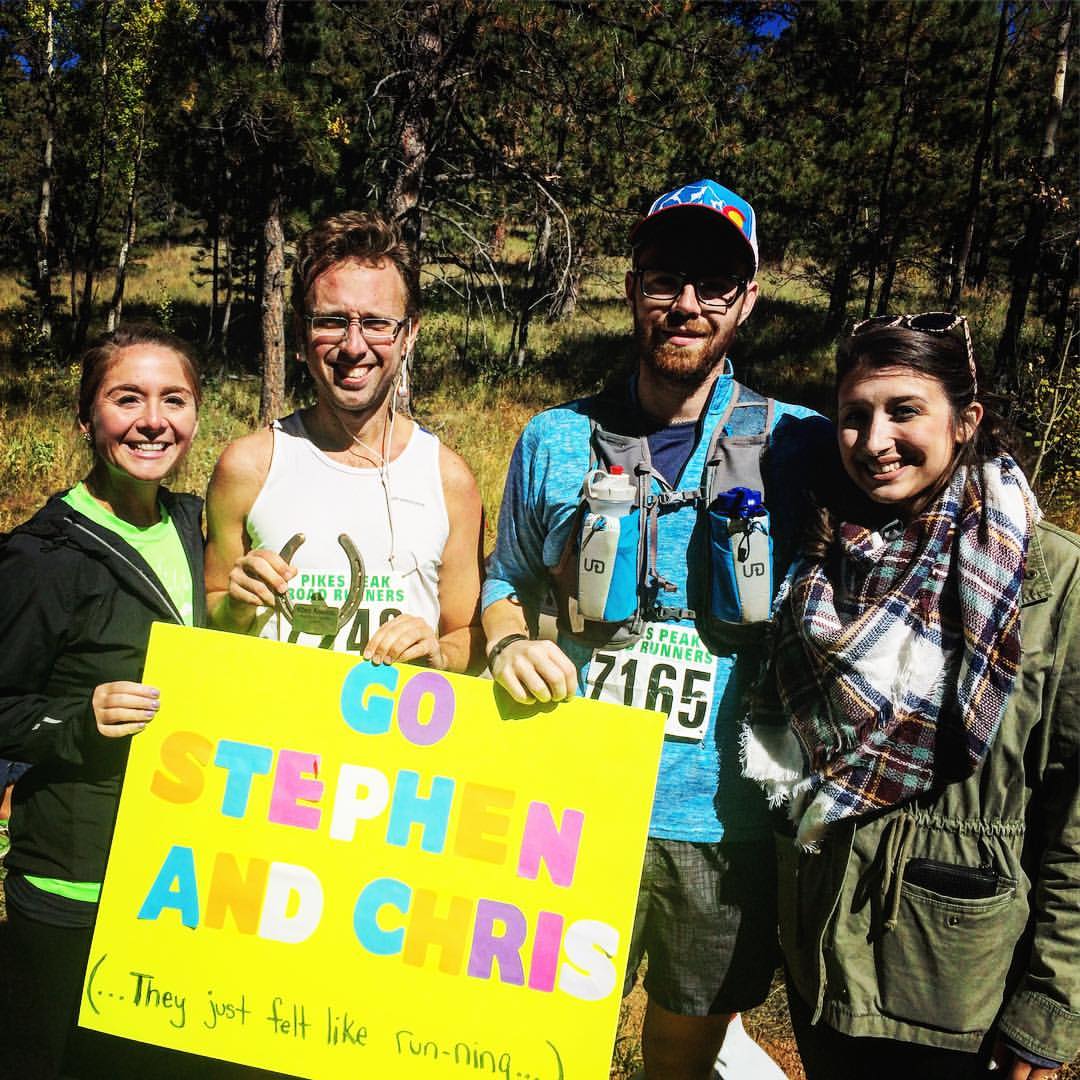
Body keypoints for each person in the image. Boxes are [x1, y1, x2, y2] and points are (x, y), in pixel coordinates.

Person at [482, 179, 831, 1080]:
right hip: (569, 808)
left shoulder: (802, 446)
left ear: (748, 300)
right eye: (666, 279)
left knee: (680, 1052)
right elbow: (504, 579)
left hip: (725, 820)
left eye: (714, 283)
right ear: (632, 288)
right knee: (543, 1046)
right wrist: (509, 640)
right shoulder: (555, 438)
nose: (686, 305)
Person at [742, 314, 1080, 1080]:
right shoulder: (820, 558)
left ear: (966, 422)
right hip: (822, 967)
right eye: (854, 416)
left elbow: (1076, 820)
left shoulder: (1049, 580)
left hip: (955, 989)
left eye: (904, 411)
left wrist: (1051, 1006)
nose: (873, 440)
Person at [0, 325, 207, 1077]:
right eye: (127, 399)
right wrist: (75, 719)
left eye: (173, 400)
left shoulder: (191, 525)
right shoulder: (41, 556)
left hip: (168, 875)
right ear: (87, 419)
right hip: (72, 879)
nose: (153, 420)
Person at [205, 210, 484, 673]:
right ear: (301, 332)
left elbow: (467, 632)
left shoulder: (448, 480)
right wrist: (234, 605)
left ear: (409, 334)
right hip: (272, 740)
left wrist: (441, 653)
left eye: (377, 323)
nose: (354, 346)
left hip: (393, 739)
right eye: (332, 321)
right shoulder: (249, 466)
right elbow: (210, 613)